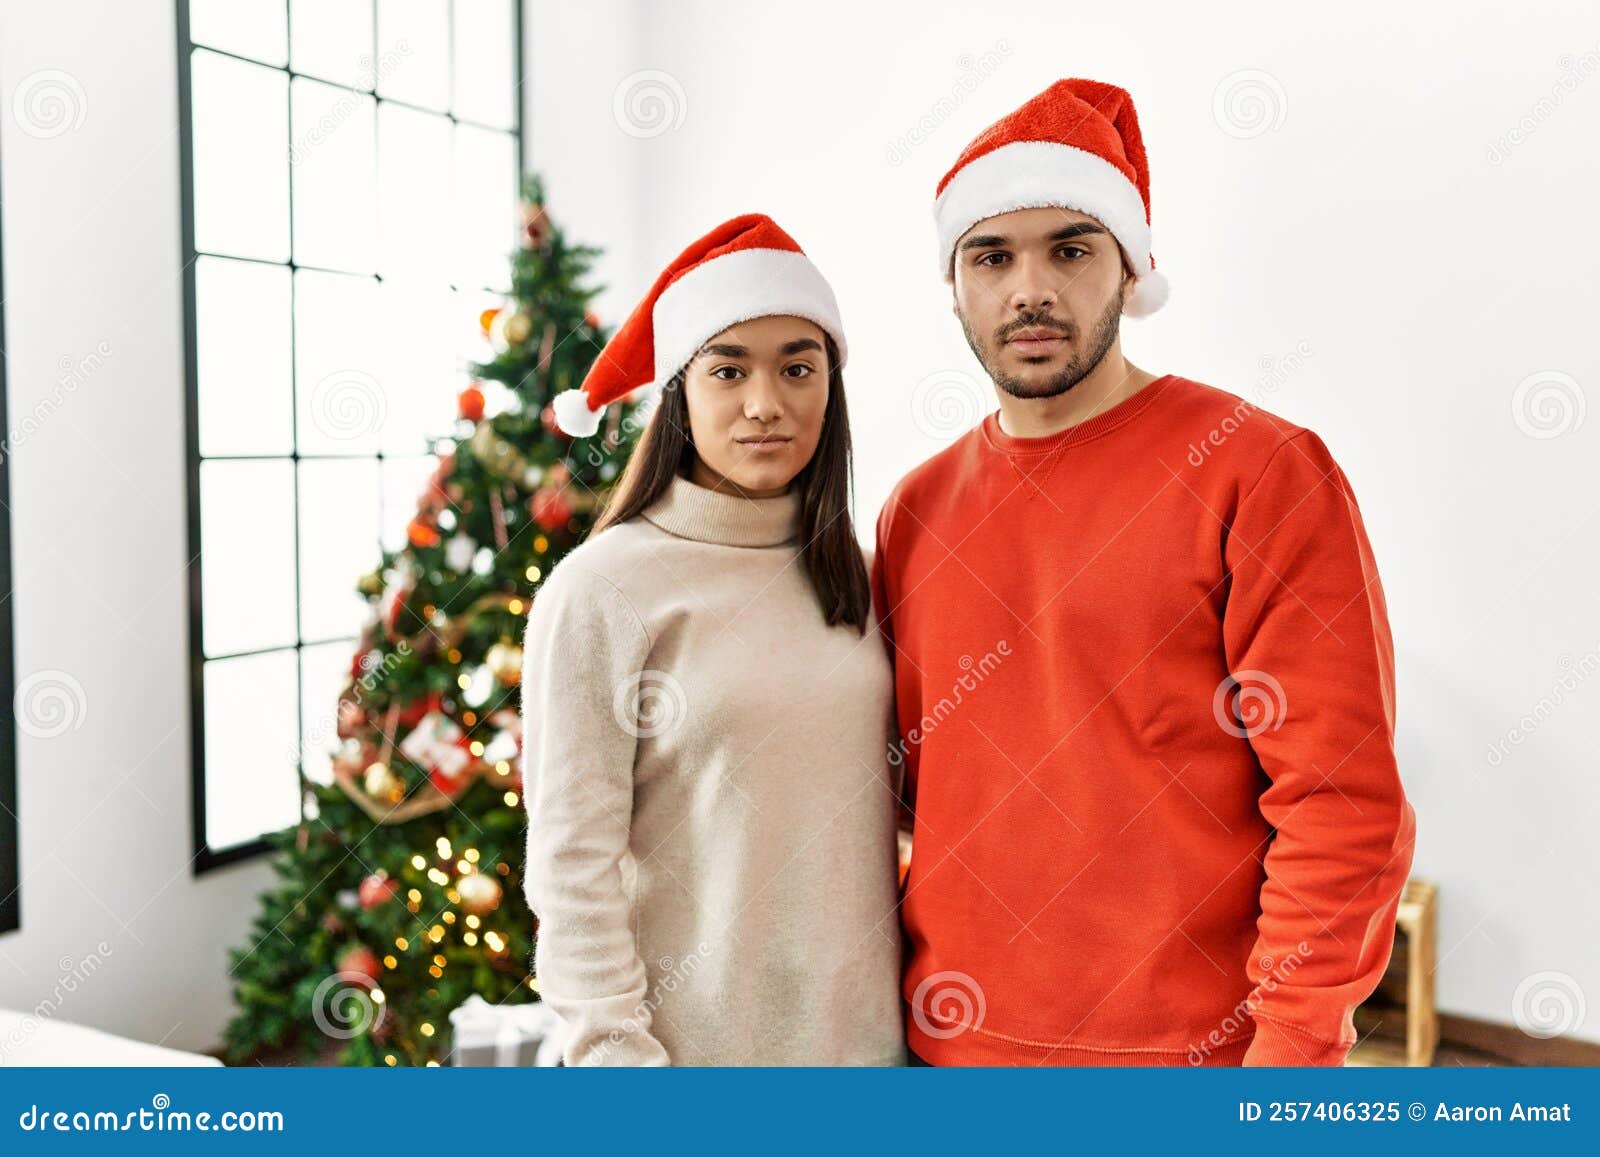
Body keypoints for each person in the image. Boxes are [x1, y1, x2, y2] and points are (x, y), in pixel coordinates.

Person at [873, 78, 1417, 1066]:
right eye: (991, 255)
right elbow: (905, 791)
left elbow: (1338, 801)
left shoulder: (1259, 470)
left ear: (1129, 270)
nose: (1029, 287)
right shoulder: (915, 510)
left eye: (1070, 249)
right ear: (954, 284)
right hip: (947, 1048)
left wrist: (1290, 1055)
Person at [521, 213, 905, 1066]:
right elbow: (572, 871)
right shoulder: (602, 590)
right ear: (681, 395)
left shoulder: (865, 577)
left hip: (869, 1059)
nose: (766, 404)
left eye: (798, 369)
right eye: (728, 369)